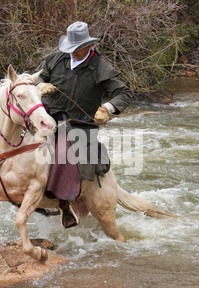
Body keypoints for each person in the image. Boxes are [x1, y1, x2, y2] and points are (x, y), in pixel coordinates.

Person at [35, 21, 132, 228]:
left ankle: (64, 204)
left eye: (78, 49)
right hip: (49, 117)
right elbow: (37, 77)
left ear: (89, 46)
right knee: (13, 134)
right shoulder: (55, 59)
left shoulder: (101, 67)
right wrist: (39, 85)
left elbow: (124, 93)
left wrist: (107, 108)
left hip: (81, 125)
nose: (75, 53)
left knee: (65, 154)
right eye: (72, 49)